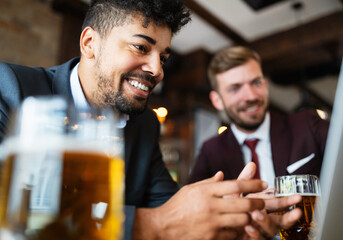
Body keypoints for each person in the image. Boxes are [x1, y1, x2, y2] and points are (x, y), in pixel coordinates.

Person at [0, 1, 302, 239]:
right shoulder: (10, 89)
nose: (157, 70)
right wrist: (154, 226)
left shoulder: (144, 125)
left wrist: (238, 220)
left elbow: (173, 210)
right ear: (90, 42)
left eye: (164, 56)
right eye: (141, 47)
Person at [187, 45, 330, 188]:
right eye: (235, 88)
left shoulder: (306, 124)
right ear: (217, 100)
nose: (251, 96)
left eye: (256, 82)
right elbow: (193, 203)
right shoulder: (211, 151)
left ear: (265, 85)